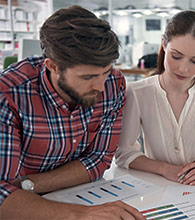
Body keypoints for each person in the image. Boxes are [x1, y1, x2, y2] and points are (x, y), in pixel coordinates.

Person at [0, 5, 144, 220]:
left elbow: (99, 159)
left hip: (79, 194)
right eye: (88, 77)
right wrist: (81, 215)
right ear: (53, 66)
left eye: (105, 72)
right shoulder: (9, 93)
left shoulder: (114, 83)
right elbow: (3, 192)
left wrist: (28, 184)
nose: (101, 87)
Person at [115, 10, 195, 186]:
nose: (184, 69)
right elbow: (124, 153)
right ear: (163, 44)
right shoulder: (137, 93)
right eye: (176, 56)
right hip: (161, 185)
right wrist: (164, 169)